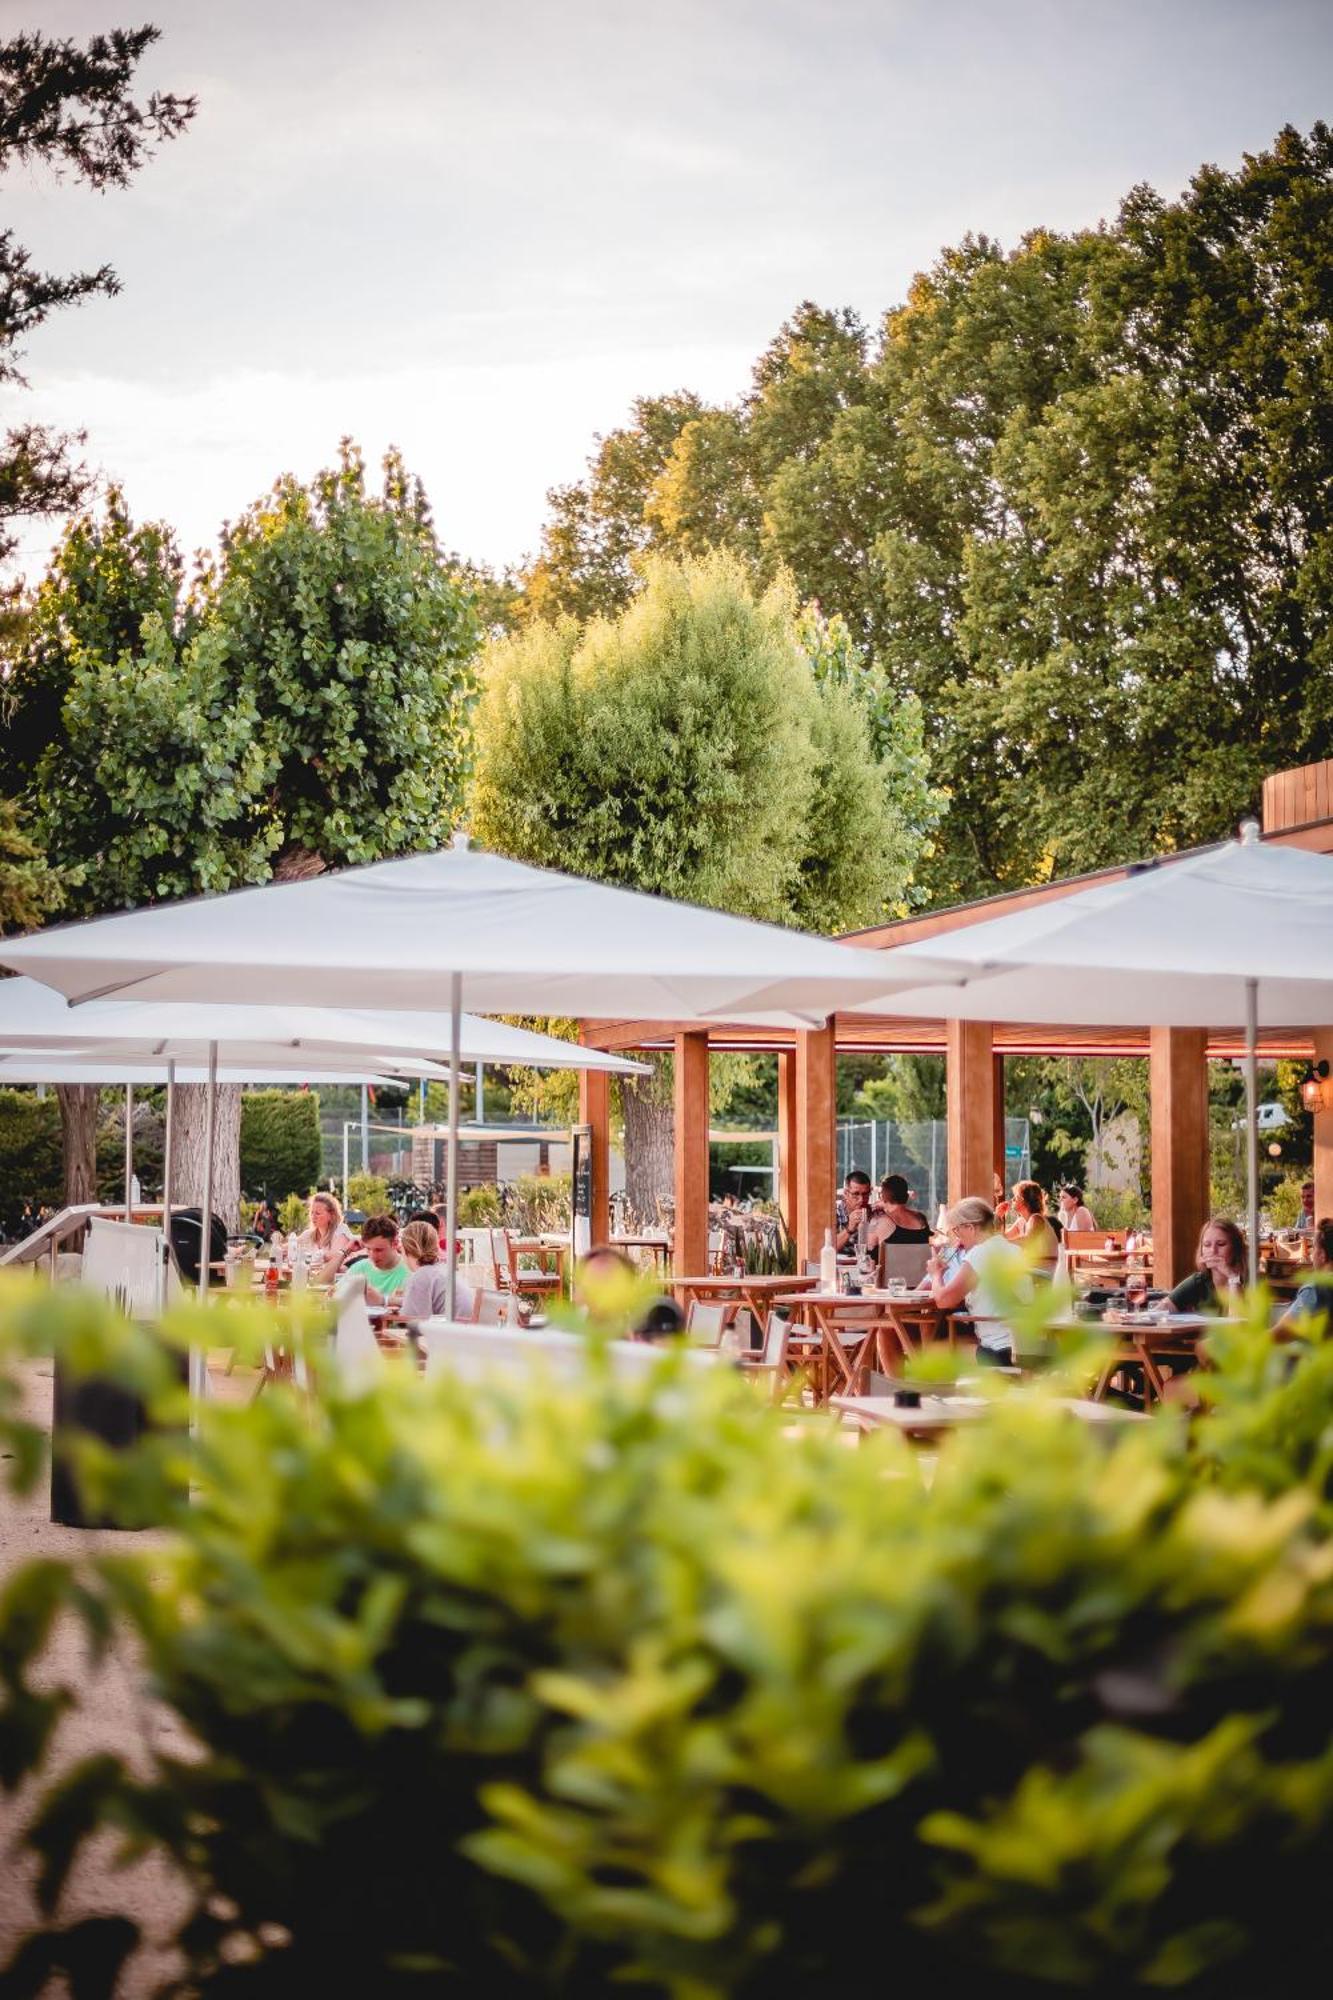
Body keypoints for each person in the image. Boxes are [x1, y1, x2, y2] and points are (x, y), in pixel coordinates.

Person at [926, 1197, 1030, 1366]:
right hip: (1025, 1347)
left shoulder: (981, 1253)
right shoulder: (1015, 1250)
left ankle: (912, 1390)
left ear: (970, 1227)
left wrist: (936, 1274)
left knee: (931, 1351)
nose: (957, 1238)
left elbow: (943, 1300)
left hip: (1000, 1351)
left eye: (957, 1230)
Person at [398, 1218, 474, 1332]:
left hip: (446, 1340)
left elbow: (409, 1322)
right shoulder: (445, 1270)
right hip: (465, 1336)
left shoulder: (420, 1276)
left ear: (405, 1250)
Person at [1169, 1217, 1248, 1314]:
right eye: (1207, 1245)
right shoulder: (1199, 1281)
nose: (1213, 1251)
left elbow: (1237, 1324)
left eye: (1221, 1244)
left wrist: (1233, 1277)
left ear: (1236, 1248)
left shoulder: (1251, 1281)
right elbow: (1159, 1311)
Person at [1273, 1217, 1333, 1339]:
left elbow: (1280, 1334)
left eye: (1314, 1247)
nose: (1311, 1252)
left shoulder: (1317, 1289)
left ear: (1322, 1255)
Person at [290, 1191, 354, 1285]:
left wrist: (317, 1256)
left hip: (337, 1284)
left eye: (318, 1213)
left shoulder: (341, 1230)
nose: (313, 1217)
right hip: (317, 1282)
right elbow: (290, 1246)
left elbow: (336, 1256)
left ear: (331, 1216)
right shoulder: (309, 1234)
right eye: (312, 1212)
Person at [345, 1213, 410, 1302]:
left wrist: (383, 1300)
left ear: (395, 1243)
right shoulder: (359, 1269)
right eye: (368, 1249)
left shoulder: (410, 1271)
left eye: (379, 1250)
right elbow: (332, 1296)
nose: (372, 1256)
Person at [866, 1174, 930, 1253]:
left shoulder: (879, 1221)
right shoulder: (921, 1218)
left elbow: (868, 1251)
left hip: (889, 1265)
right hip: (919, 1265)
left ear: (882, 1196)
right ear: (906, 1196)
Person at [1006, 1180, 1060, 1273]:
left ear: (1025, 1200)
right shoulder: (1021, 1221)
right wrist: (999, 1216)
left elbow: (1027, 1241)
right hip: (1032, 1269)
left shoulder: (1037, 1219)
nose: (1012, 1200)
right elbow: (1003, 1237)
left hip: (1044, 1272)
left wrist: (1002, 1242)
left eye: (1015, 1197)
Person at [835, 1171, 873, 1253]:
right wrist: (849, 1228)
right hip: (840, 1264)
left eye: (865, 1194)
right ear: (846, 1193)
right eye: (856, 1194)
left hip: (866, 1264)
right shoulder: (834, 1211)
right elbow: (829, 1249)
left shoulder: (874, 1213)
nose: (861, 1199)